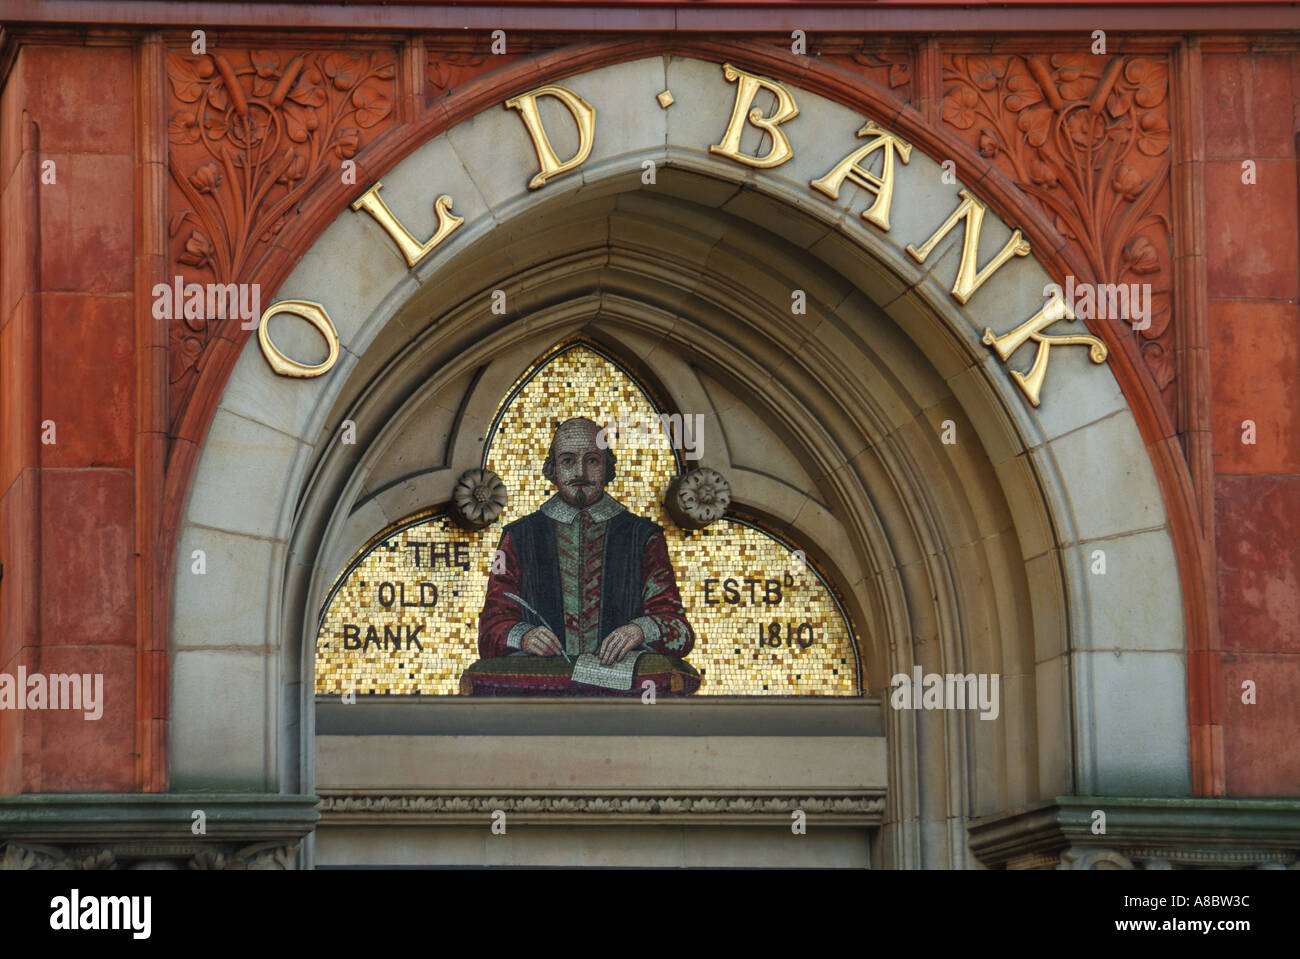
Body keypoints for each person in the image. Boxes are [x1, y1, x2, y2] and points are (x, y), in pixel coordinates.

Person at [478, 417, 695, 666]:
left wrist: (640, 630)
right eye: (568, 460)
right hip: (541, 686)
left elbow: (679, 629)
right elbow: (491, 628)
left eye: (592, 460)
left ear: (607, 467)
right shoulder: (518, 537)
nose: (580, 472)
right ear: (553, 468)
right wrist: (524, 636)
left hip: (622, 689)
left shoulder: (643, 537)